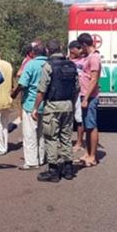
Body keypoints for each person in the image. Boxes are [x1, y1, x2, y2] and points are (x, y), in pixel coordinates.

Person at [32, 40, 79, 183]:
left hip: (53, 106)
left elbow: (42, 90)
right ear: (61, 49)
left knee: (51, 137)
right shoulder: (72, 65)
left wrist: (35, 108)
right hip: (68, 105)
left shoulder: (48, 66)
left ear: (48, 50)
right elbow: (77, 88)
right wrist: (72, 103)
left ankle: (53, 171)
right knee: (66, 136)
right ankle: (69, 168)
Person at [12, 42, 48, 169]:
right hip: (46, 103)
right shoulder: (49, 64)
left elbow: (22, 83)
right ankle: (41, 157)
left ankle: (32, 162)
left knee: (29, 133)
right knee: (41, 133)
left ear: (34, 53)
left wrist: (14, 94)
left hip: (31, 103)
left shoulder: (30, 65)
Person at [77, 33, 101, 167]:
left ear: (85, 45)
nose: (80, 50)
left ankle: (93, 156)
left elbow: (94, 79)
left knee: (92, 126)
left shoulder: (94, 58)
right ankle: (88, 152)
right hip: (85, 95)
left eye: (81, 47)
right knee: (87, 125)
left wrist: (86, 98)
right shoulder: (89, 57)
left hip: (90, 96)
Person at [68, 40, 86, 152]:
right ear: (72, 49)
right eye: (78, 48)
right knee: (66, 119)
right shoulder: (64, 61)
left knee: (79, 118)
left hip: (79, 93)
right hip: (66, 94)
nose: (81, 50)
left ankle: (79, 142)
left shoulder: (84, 61)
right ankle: (66, 141)